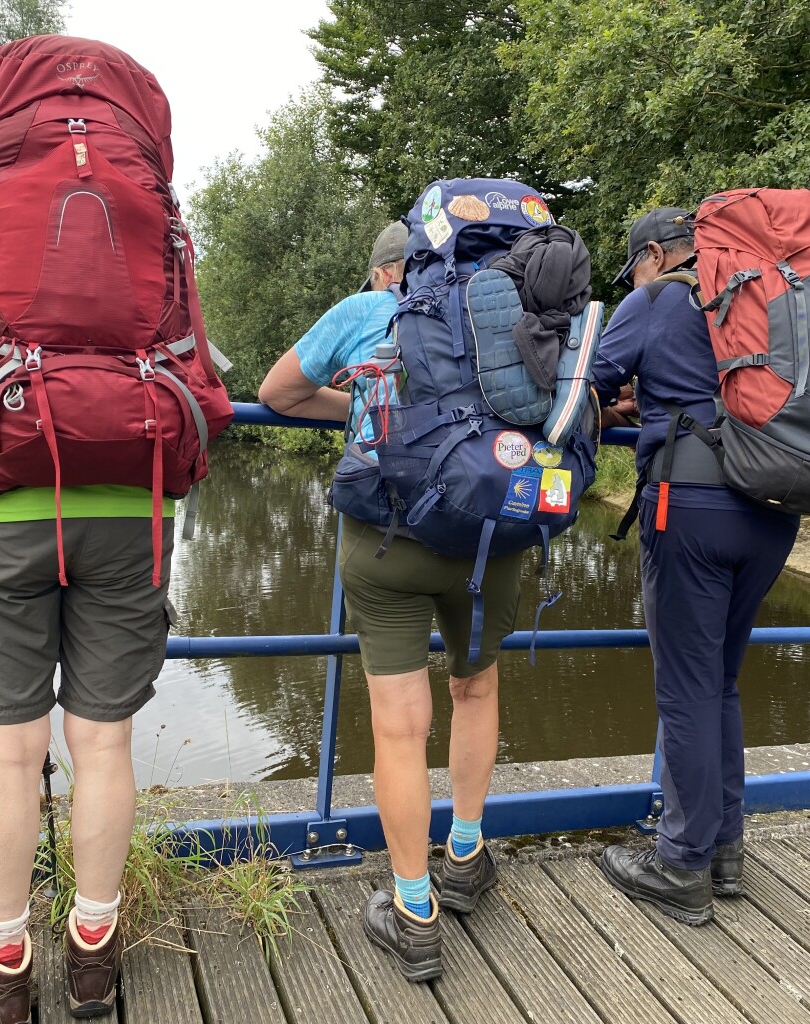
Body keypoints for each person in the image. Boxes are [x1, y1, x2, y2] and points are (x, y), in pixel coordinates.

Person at [259, 222, 524, 981]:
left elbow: (276, 393)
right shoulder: (512, 311)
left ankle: (414, 912)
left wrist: (359, 410)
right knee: (476, 690)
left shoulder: (366, 310)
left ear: (388, 272)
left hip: (387, 538)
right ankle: (465, 859)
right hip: (490, 535)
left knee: (399, 728)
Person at [0, 233, 175, 1021]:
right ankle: (92, 959)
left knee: (8, 751)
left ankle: (0, 968)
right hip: (134, 503)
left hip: (1, 506)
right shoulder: (152, 226)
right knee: (103, 742)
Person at [591, 209, 800, 925]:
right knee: (720, 682)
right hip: (775, 504)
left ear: (654, 254)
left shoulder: (657, 297)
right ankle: (723, 849)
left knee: (686, 690)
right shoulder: (768, 291)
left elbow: (586, 384)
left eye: (634, 270)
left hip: (692, 507)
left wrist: (627, 406)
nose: (634, 282)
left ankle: (681, 865)